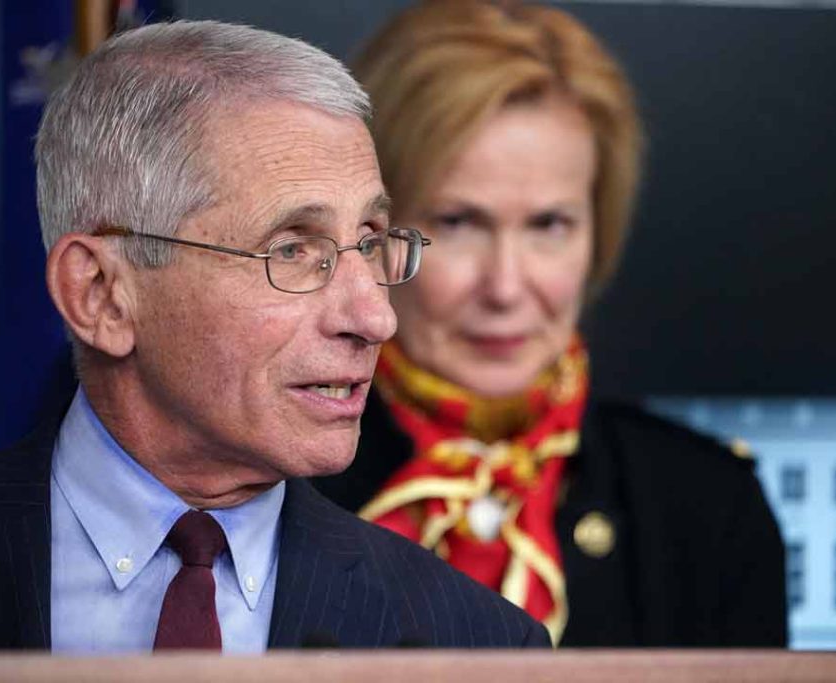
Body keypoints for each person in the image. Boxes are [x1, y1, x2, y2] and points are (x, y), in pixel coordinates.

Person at [0, 20, 550, 654]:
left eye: (372, 242)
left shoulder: (477, 645)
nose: (376, 318)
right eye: (293, 249)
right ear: (101, 294)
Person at [313, 0, 788, 647]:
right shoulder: (271, 480)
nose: (507, 286)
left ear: (599, 232)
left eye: (549, 225)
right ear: (370, 234)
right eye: (458, 222)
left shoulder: (708, 507)